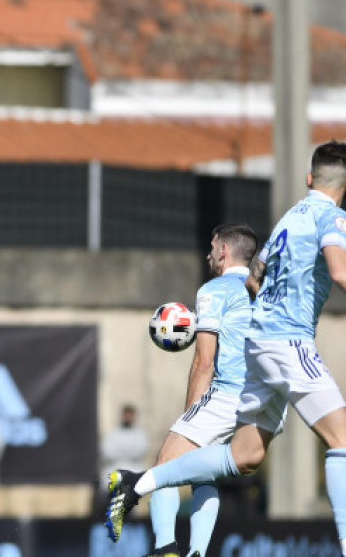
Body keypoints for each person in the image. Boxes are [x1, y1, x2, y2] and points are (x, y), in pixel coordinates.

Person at [106, 140, 346, 557]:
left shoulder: (288, 219)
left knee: (241, 456)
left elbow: (251, 285)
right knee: (341, 440)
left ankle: (143, 496)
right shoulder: (331, 217)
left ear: (310, 178)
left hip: (258, 357)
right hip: (286, 344)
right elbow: (339, 270)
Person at [143, 223, 258, 557]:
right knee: (201, 472)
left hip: (227, 393)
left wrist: (189, 413)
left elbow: (204, 361)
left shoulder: (215, 290)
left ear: (224, 250)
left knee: (165, 465)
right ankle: (197, 553)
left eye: (212, 246)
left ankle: (165, 549)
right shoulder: (263, 290)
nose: (208, 253)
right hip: (260, 396)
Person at [93, 404, 149, 517]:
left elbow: (139, 451)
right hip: (114, 470)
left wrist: (121, 450)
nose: (128, 417)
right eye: (126, 415)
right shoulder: (113, 433)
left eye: (130, 415)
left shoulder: (140, 435)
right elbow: (107, 451)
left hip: (134, 470)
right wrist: (126, 451)